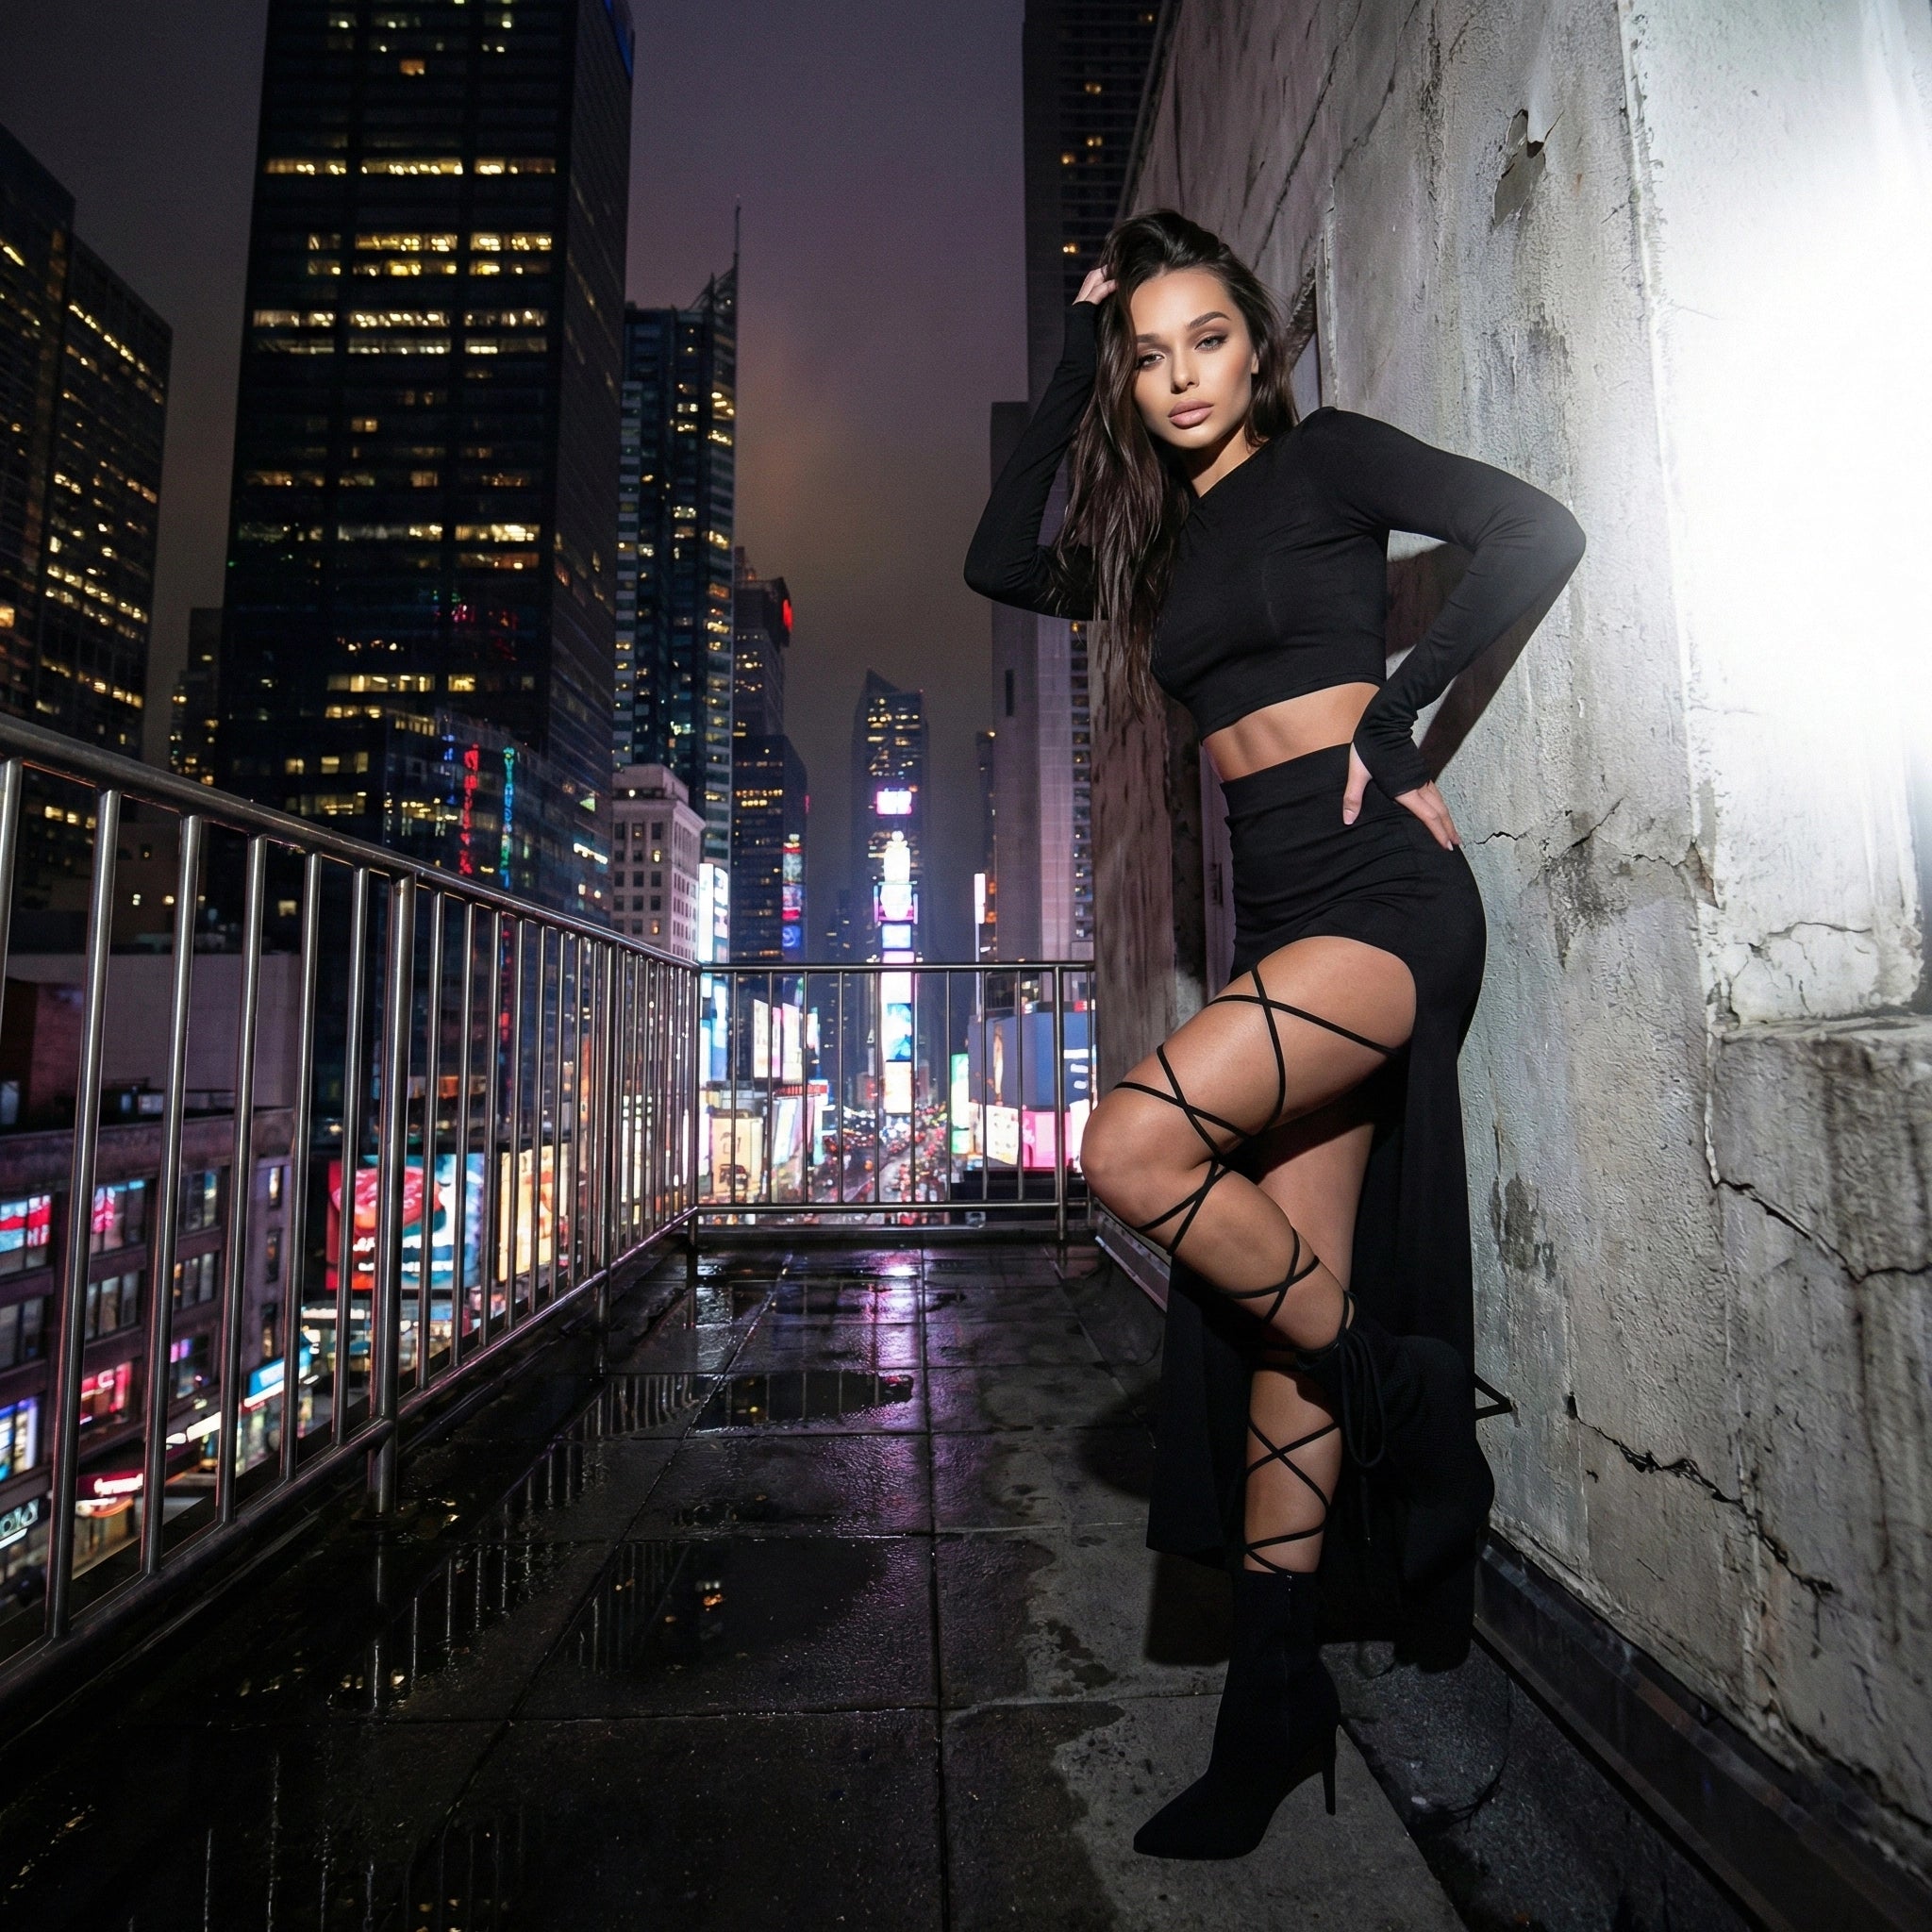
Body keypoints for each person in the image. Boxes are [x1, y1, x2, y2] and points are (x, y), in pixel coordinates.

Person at [965, 208, 1585, 1861]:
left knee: (1130, 1145)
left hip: (1383, 899)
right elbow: (1001, 561)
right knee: (1283, 1326)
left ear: (1259, 348)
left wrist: (1402, 712)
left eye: (1209, 340)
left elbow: (1535, 529)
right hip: (1279, 921)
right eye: (1150, 355)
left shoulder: (1331, 463)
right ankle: (1271, 1707)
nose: (1181, 377)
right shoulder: (1155, 551)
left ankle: (1406, 1398)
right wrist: (1071, 346)